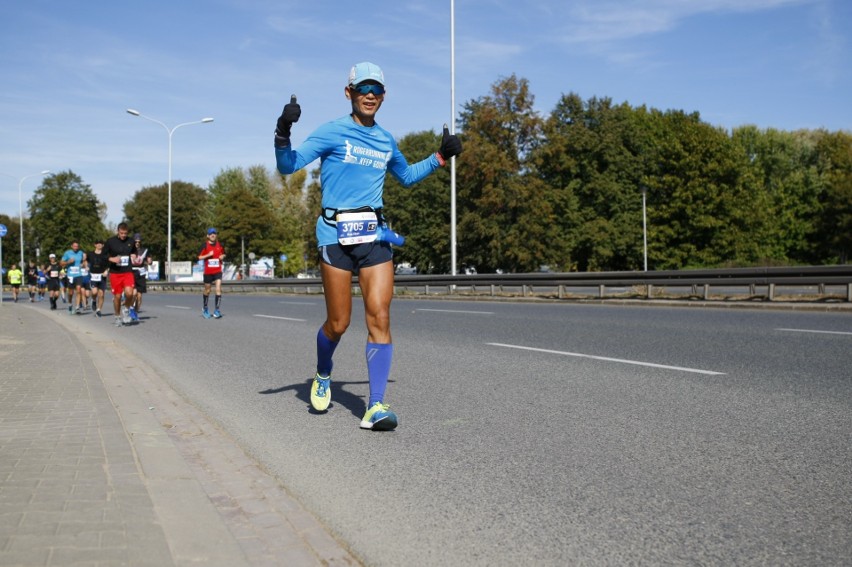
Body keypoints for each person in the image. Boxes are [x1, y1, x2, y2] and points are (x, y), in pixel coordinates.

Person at [274, 62, 462, 430]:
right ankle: (323, 372)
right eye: (363, 88)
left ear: (384, 95)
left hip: (374, 236)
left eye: (376, 89)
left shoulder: (385, 140)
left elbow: (406, 177)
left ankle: (375, 406)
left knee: (379, 315)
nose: (370, 95)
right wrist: (283, 130)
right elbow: (288, 166)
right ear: (350, 93)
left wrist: (440, 157)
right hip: (335, 237)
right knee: (339, 323)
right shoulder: (332, 132)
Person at [104, 222, 138, 327]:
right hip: (115, 273)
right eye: (122, 233)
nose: (123, 235)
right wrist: (111, 259)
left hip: (127, 271)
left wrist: (134, 256)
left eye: (125, 233)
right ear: (118, 231)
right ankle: (117, 317)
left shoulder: (131, 241)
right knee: (117, 297)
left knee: (130, 293)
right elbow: (103, 256)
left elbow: (134, 252)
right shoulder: (110, 241)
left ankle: (126, 310)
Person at [198, 227, 225, 319]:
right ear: (208, 236)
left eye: (214, 233)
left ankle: (217, 310)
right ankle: (205, 308)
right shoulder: (204, 245)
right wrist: (208, 255)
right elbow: (199, 257)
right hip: (208, 272)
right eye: (211, 234)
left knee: (218, 290)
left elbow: (224, 253)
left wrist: (222, 256)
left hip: (218, 271)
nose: (213, 235)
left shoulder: (220, 245)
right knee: (208, 290)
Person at [60, 240, 86, 314]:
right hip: (70, 276)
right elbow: (61, 263)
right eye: (74, 246)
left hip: (79, 274)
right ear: (71, 246)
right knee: (70, 292)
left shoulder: (81, 253)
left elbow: (83, 260)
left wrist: (83, 264)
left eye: (77, 246)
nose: (76, 247)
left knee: (78, 290)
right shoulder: (67, 253)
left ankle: (77, 307)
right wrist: (68, 262)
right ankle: (70, 303)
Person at [87, 238, 110, 317]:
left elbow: (108, 265)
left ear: (103, 245)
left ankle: (99, 310)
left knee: (101, 294)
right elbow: (85, 261)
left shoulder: (105, 254)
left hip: (102, 276)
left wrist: (106, 271)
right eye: (97, 243)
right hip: (93, 275)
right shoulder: (90, 254)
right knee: (94, 292)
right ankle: (93, 300)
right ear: (95, 245)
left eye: (101, 243)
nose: (99, 244)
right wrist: (86, 266)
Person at [130, 233, 148, 321]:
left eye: (139, 241)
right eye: (135, 241)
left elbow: (149, 260)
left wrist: (150, 261)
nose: (137, 243)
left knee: (139, 296)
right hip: (132, 272)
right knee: (133, 294)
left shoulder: (144, 250)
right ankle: (131, 309)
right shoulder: (129, 250)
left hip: (141, 273)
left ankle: (135, 313)